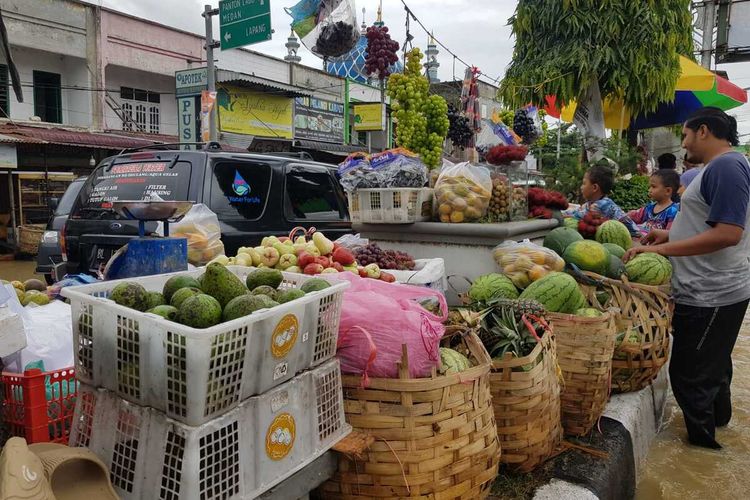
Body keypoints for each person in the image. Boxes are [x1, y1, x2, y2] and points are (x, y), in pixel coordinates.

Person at [624, 106, 750, 449]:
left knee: (689, 376)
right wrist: (669, 237)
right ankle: (720, 427)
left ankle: (705, 452)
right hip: (715, 290)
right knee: (713, 368)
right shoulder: (721, 167)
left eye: (685, 135)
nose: (683, 143)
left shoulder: (727, 165)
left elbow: (728, 233)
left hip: (711, 293)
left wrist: (660, 252)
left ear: (704, 131)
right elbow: (709, 222)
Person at [564, 164, 640, 236]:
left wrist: (560, 215)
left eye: (584, 183)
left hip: (632, 235)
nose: (581, 187)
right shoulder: (591, 203)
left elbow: (577, 216)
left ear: (594, 188)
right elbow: (577, 211)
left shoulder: (602, 205)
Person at [627, 170, 680, 236]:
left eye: (653, 187)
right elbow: (634, 216)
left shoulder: (673, 211)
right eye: (650, 187)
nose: (649, 190)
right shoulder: (649, 207)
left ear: (668, 191)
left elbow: (669, 235)